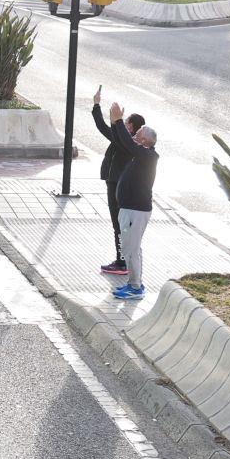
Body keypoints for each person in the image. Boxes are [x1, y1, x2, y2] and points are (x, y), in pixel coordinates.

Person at [103, 103, 158, 300]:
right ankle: (134, 284)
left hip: (136, 210)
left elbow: (127, 141)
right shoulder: (141, 154)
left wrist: (118, 121)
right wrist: (113, 122)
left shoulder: (147, 155)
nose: (134, 137)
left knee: (132, 250)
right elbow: (123, 140)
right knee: (131, 248)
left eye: (138, 135)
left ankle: (135, 288)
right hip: (129, 209)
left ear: (144, 141)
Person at [90, 86, 146, 278]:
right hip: (114, 182)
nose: (124, 124)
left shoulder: (126, 142)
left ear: (130, 127)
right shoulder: (125, 140)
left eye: (126, 122)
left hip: (116, 185)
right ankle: (122, 260)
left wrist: (97, 106)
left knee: (118, 224)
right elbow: (108, 130)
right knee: (119, 224)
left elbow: (103, 128)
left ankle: (122, 262)